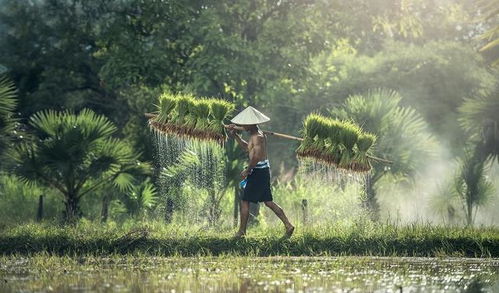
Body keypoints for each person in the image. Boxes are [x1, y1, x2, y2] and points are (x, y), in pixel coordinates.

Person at [227, 106, 295, 238]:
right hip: (260, 171)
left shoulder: (258, 137)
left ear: (252, 123)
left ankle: (241, 232)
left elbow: (256, 157)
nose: (242, 125)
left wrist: (248, 170)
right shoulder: (254, 135)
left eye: (245, 123)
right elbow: (248, 148)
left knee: (245, 200)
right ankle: (288, 225)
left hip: (258, 171)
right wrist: (235, 135)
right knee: (268, 202)